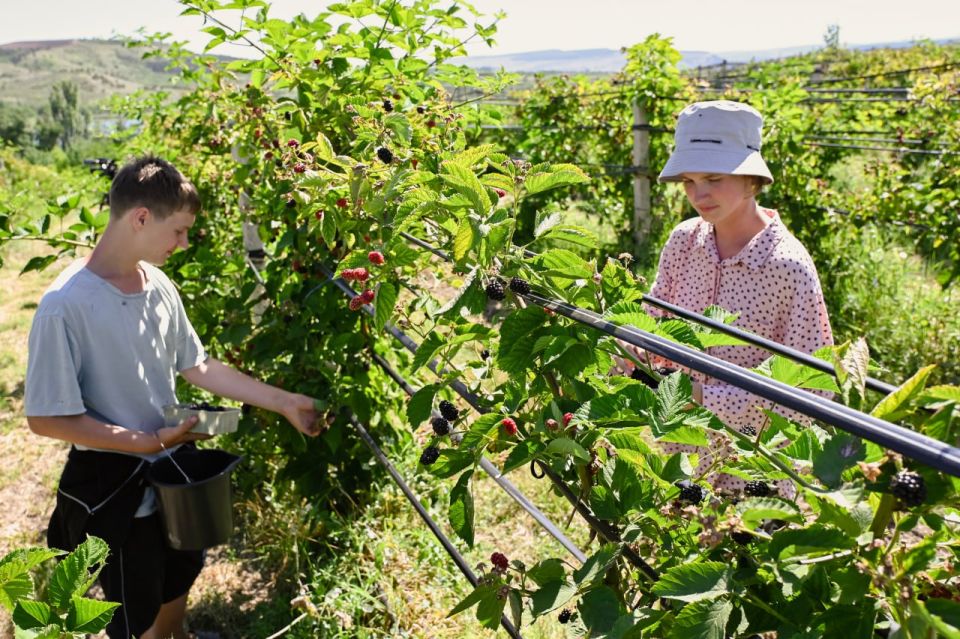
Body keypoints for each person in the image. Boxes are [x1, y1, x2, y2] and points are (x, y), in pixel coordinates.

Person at [24, 156, 327, 639]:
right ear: (141, 217)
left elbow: (199, 366)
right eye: (180, 231)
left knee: (181, 567)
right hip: (116, 483)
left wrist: (284, 401)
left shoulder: (158, 284)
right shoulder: (65, 307)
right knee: (136, 600)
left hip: (170, 467)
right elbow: (46, 418)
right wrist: (139, 442)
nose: (184, 244)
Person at [621, 100, 833, 495]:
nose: (699, 194)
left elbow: (812, 388)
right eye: (689, 180)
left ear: (752, 180)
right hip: (682, 454)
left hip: (750, 472)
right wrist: (623, 348)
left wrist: (705, 397)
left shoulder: (787, 267)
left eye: (714, 178)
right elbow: (653, 317)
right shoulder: (684, 242)